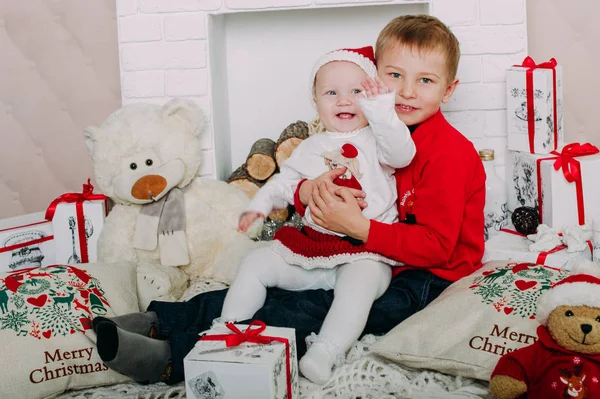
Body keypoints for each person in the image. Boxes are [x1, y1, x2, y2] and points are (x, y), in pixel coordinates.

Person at [92, 14, 485, 387]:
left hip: (426, 278)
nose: (406, 91)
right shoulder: (376, 128)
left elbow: (437, 246)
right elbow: (340, 72)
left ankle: (172, 357)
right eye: (394, 76)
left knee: (313, 308)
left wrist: (359, 228)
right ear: (375, 76)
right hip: (365, 249)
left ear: (448, 89)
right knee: (268, 280)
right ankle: (161, 318)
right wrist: (305, 189)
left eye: (426, 81)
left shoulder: (447, 152)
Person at [222, 45, 416, 384]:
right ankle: (226, 330)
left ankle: (325, 351)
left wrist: (383, 111)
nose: (344, 101)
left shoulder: (379, 138)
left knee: (360, 287)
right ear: (315, 101)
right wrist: (259, 204)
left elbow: (402, 154)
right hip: (313, 249)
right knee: (255, 263)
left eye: (356, 92)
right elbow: (286, 183)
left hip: (365, 252)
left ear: (370, 96)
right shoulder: (311, 146)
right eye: (331, 92)